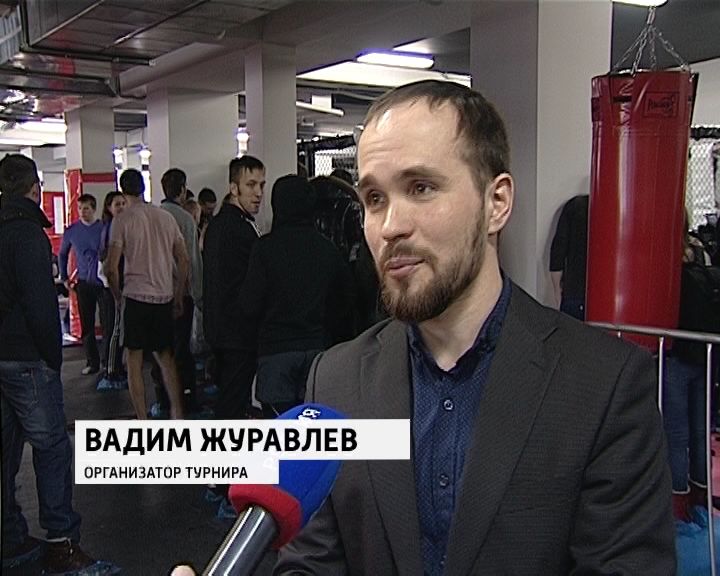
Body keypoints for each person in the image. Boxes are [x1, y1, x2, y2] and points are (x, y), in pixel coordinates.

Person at [275, 80, 675, 574]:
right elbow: (311, 563)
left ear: (496, 203)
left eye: (420, 188)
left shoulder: (603, 386)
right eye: (374, 198)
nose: (390, 225)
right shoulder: (336, 382)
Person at [0, 154, 115, 574]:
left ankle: (9, 537)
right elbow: (39, 305)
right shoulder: (28, 234)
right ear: (35, 189)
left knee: (6, 450)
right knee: (51, 449)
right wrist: (52, 356)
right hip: (28, 359)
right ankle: (61, 543)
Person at [241, 174, 355, 417]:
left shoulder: (264, 249)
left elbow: (250, 304)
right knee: (314, 422)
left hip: (276, 351)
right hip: (317, 350)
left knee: (280, 424)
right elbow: (344, 301)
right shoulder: (327, 248)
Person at [105, 169, 188, 420]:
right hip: (164, 296)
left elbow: (111, 268)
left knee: (134, 360)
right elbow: (183, 259)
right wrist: (178, 294)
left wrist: (118, 297)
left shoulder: (122, 220)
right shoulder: (165, 217)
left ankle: (142, 420)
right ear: (143, 187)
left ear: (123, 191)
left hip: (135, 297)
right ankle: (177, 414)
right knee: (166, 357)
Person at [203, 155, 265, 422]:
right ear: (233, 187)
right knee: (232, 402)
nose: (258, 192)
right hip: (238, 331)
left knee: (230, 398)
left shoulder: (217, 225)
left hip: (219, 327)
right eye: (251, 184)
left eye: (261, 185)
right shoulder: (240, 229)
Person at [158, 168, 203, 414]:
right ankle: (187, 402)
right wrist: (199, 295)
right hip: (181, 294)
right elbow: (192, 261)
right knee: (182, 351)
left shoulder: (154, 217)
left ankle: (163, 401)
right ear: (183, 190)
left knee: (161, 351)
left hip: (155, 294)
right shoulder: (185, 219)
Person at [58, 193, 104, 374]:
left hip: (103, 282)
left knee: (108, 323)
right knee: (87, 323)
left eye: (86, 208)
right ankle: (92, 362)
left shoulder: (103, 228)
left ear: (93, 209)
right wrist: (64, 277)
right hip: (84, 282)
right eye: (79, 208)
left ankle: (109, 361)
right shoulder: (72, 231)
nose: (82, 212)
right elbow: (62, 254)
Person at [96, 191, 127, 391]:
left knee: (118, 329)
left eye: (123, 203)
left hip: (119, 286)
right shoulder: (110, 229)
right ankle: (111, 371)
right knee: (114, 330)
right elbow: (106, 265)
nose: (122, 207)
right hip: (112, 288)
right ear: (109, 207)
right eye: (117, 204)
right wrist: (115, 291)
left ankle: (115, 367)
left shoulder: (118, 227)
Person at [549, 194, 589, 320]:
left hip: (574, 292)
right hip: (607, 297)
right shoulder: (620, 208)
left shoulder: (576, 206)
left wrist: (557, 292)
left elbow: (558, 252)